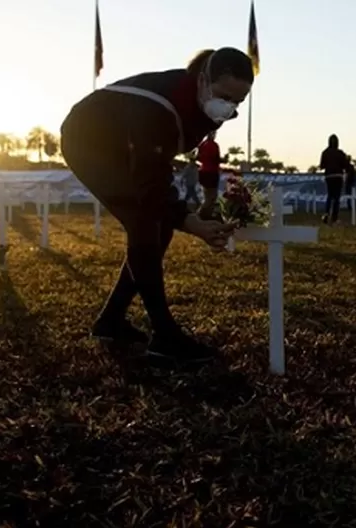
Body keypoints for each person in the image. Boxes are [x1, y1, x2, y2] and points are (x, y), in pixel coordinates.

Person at [60, 47, 254, 363]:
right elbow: (150, 184)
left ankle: (110, 321)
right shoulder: (157, 106)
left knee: (158, 225)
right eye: (224, 96)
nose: (229, 107)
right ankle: (165, 336)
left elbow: (204, 155)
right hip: (89, 140)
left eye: (238, 101)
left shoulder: (207, 104)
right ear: (203, 79)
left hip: (129, 148)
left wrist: (205, 203)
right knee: (145, 220)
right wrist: (191, 223)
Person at [319, 134, 349, 224]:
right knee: (336, 197)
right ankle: (334, 218)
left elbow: (322, 166)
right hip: (338, 176)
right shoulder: (340, 153)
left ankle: (326, 213)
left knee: (330, 196)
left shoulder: (325, 152)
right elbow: (345, 165)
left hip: (329, 176)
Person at [196, 129, 222, 220]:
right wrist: (223, 160)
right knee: (211, 197)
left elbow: (198, 157)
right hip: (211, 172)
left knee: (208, 196)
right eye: (214, 133)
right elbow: (215, 159)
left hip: (203, 172)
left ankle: (205, 215)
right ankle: (201, 215)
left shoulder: (202, 144)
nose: (215, 135)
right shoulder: (213, 145)